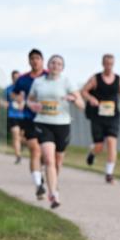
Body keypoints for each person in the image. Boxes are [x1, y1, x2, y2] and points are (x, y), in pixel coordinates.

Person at [27, 54, 84, 209]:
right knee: (49, 159)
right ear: (48, 65)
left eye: (59, 63)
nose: (55, 65)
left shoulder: (67, 82)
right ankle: (53, 195)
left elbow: (81, 104)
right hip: (43, 123)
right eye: (53, 62)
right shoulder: (38, 82)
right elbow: (29, 99)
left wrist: (73, 99)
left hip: (62, 124)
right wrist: (32, 105)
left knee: (58, 161)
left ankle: (53, 183)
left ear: (62, 67)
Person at [81, 54, 120, 183]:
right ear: (103, 64)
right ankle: (92, 153)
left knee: (111, 143)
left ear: (113, 64)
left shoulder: (118, 79)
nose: (109, 66)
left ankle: (109, 174)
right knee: (99, 146)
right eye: (106, 63)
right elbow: (83, 91)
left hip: (113, 116)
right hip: (97, 117)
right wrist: (91, 98)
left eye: (111, 64)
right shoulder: (95, 79)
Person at [14, 50, 48, 198]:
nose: (35, 61)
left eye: (38, 58)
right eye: (32, 59)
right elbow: (14, 93)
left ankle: (40, 172)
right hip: (29, 118)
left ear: (42, 60)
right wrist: (19, 98)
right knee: (35, 150)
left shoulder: (49, 76)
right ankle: (38, 185)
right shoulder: (23, 79)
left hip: (48, 119)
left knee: (45, 154)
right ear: (29, 61)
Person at [0, 70, 26, 163]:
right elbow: (1, 101)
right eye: (15, 77)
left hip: (24, 116)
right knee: (15, 134)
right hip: (12, 115)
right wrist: (4, 104)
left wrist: (24, 104)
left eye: (18, 77)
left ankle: (20, 145)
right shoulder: (8, 89)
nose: (17, 79)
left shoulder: (25, 89)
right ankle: (18, 156)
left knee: (22, 137)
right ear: (12, 78)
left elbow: (32, 99)